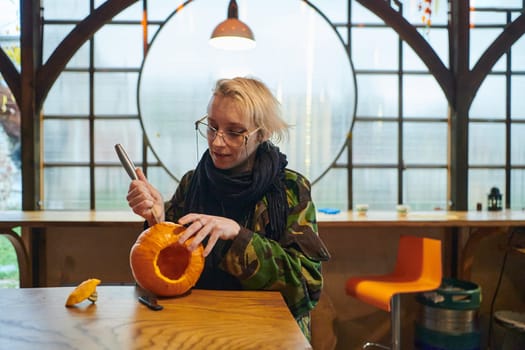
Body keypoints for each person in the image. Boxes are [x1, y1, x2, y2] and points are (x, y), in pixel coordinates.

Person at [126, 76, 330, 340]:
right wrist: (158, 221)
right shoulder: (193, 183)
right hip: (200, 325)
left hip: (270, 331)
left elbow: (305, 287)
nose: (217, 142)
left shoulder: (289, 189)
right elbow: (166, 274)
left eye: (234, 132)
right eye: (211, 127)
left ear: (262, 134)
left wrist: (238, 236)